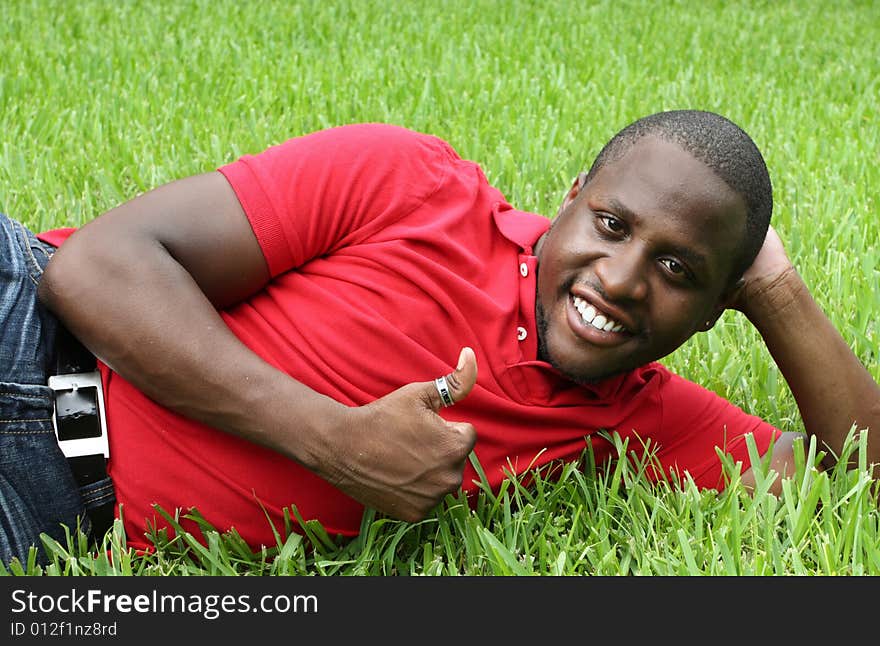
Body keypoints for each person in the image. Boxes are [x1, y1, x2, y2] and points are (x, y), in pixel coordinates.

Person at [2, 110, 878, 566]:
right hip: (29, 325)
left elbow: (857, 479)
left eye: (680, 272)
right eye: (611, 224)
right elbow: (95, 268)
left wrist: (777, 289)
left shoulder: (636, 418)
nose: (620, 278)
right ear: (572, 195)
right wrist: (331, 440)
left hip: (42, 513)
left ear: (715, 307)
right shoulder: (410, 185)